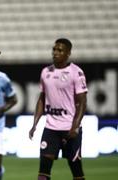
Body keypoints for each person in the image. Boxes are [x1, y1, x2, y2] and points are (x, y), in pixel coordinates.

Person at [28, 38, 88, 180]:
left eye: (60, 50)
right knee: (43, 172)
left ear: (68, 53)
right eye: (54, 49)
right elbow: (42, 99)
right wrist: (35, 124)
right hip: (51, 128)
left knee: (76, 171)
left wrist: (75, 126)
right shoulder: (45, 72)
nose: (55, 53)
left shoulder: (76, 72)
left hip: (70, 128)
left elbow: (82, 102)